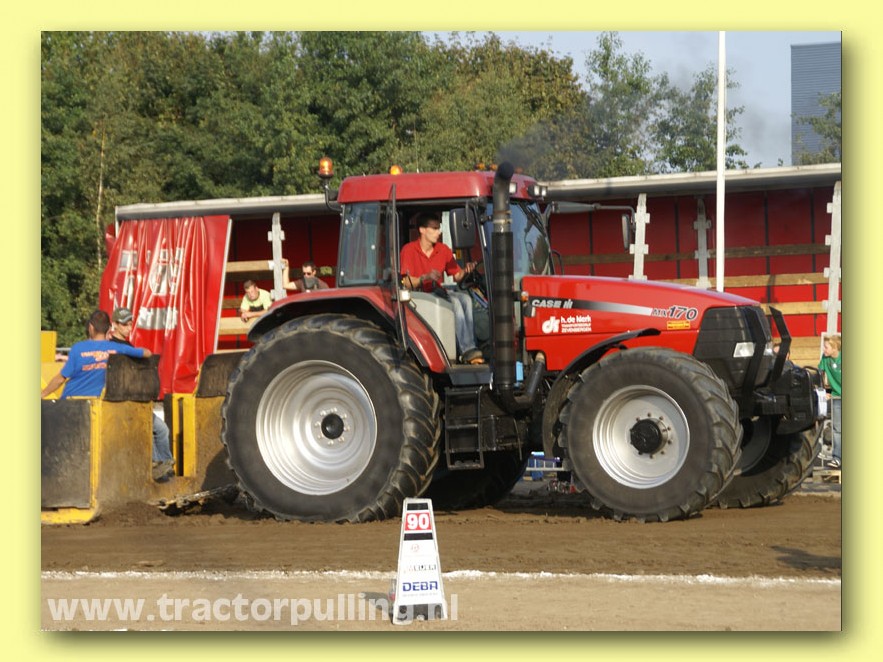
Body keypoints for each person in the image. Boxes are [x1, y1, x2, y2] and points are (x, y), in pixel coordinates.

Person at [400, 213, 483, 364]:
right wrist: (425, 277)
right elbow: (405, 282)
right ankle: (466, 350)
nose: (439, 232)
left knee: (465, 298)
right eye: (434, 228)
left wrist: (466, 270)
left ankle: (470, 346)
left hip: (437, 293)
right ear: (422, 230)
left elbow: (457, 276)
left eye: (439, 228)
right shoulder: (409, 250)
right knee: (455, 303)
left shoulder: (443, 250)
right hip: (419, 296)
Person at [109, 307, 175, 481]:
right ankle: (159, 468)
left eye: (130, 323)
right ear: (115, 324)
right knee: (153, 431)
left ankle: (164, 466)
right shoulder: (113, 346)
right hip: (124, 400)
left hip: (137, 398)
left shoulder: (127, 345)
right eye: (124, 324)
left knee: (161, 430)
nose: (128, 327)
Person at [818, 333, 842, 469]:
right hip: (837, 396)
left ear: (835, 348)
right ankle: (837, 458)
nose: (824, 349)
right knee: (837, 429)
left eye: (826, 347)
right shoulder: (825, 358)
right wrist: (823, 392)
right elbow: (819, 373)